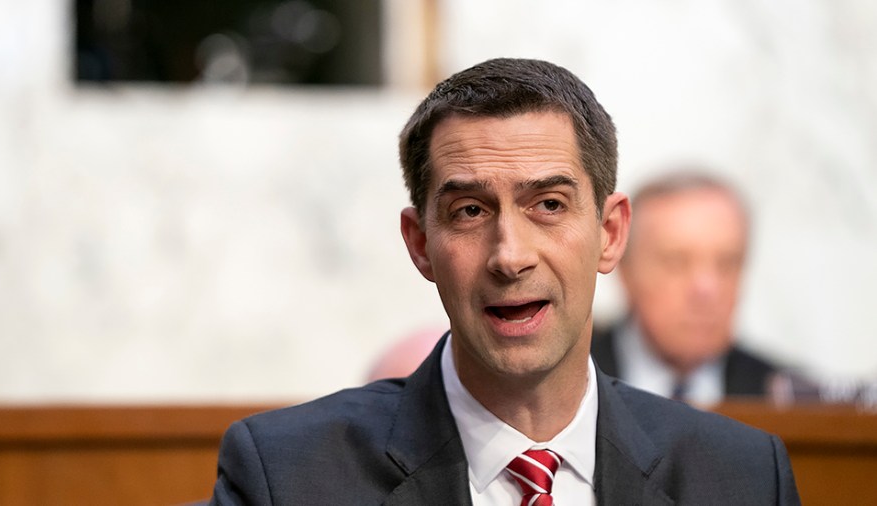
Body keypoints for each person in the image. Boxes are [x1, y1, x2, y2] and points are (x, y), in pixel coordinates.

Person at [209, 58, 799, 504]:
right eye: (469, 211)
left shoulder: (742, 476)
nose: (510, 256)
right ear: (420, 245)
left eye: (547, 204)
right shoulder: (285, 477)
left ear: (611, 233)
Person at [591, 171, 779, 405]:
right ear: (625, 272)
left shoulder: (789, 402)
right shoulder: (565, 386)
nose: (707, 289)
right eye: (677, 263)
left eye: (727, 263)